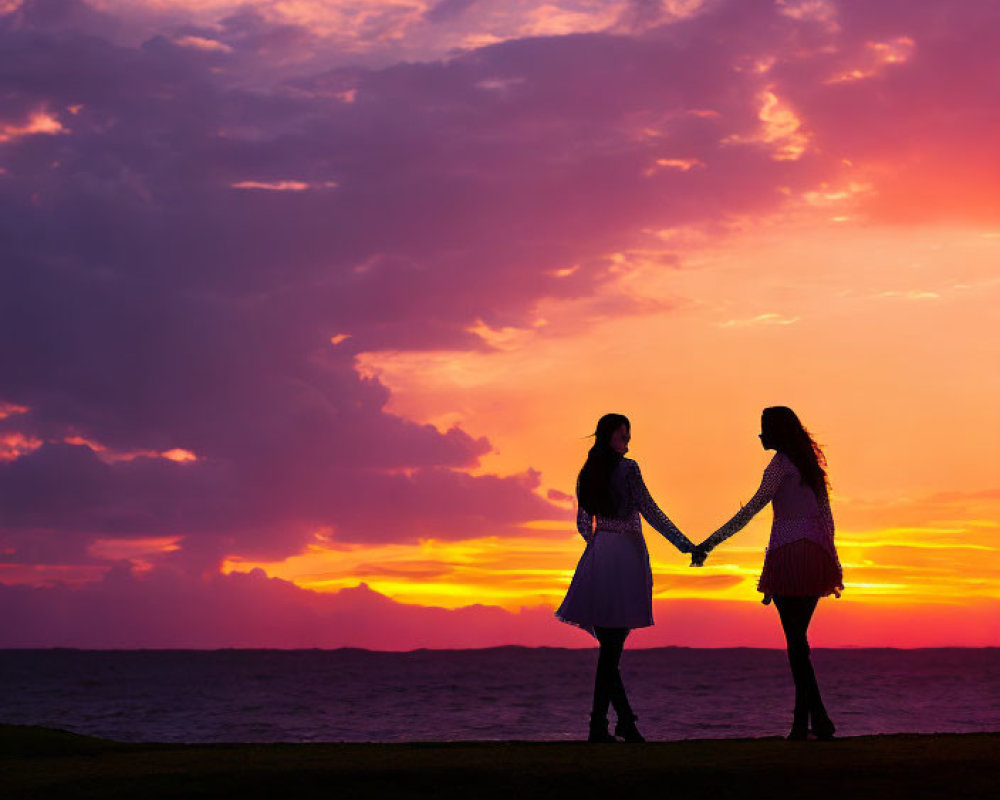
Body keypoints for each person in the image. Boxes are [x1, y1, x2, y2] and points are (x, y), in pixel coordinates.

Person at [692, 406, 844, 741]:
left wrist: (709, 543)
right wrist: (832, 560)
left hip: (789, 556)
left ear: (776, 432)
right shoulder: (810, 468)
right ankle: (804, 725)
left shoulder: (779, 467)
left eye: (763, 428)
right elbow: (826, 517)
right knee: (799, 642)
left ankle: (816, 719)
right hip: (815, 554)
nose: (759, 435)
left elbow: (750, 510)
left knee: (795, 643)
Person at [556, 413, 696, 743]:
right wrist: (684, 544)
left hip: (599, 555)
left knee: (609, 648)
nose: (628, 442)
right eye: (623, 436)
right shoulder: (629, 469)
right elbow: (651, 510)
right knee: (612, 649)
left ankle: (618, 723)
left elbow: (581, 524)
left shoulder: (587, 472)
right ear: (609, 437)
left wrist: (600, 544)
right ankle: (604, 725)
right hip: (626, 556)